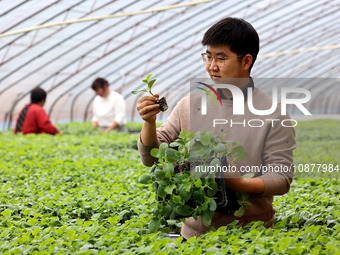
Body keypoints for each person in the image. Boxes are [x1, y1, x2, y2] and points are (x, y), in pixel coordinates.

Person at [137, 17, 296, 239]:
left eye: (221, 58)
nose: (211, 66)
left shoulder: (273, 112)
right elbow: (151, 158)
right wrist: (149, 123)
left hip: (252, 236)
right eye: (208, 57)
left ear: (246, 61)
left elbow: (281, 178)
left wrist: (235, 182)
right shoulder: (190, 104)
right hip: (193, 235)